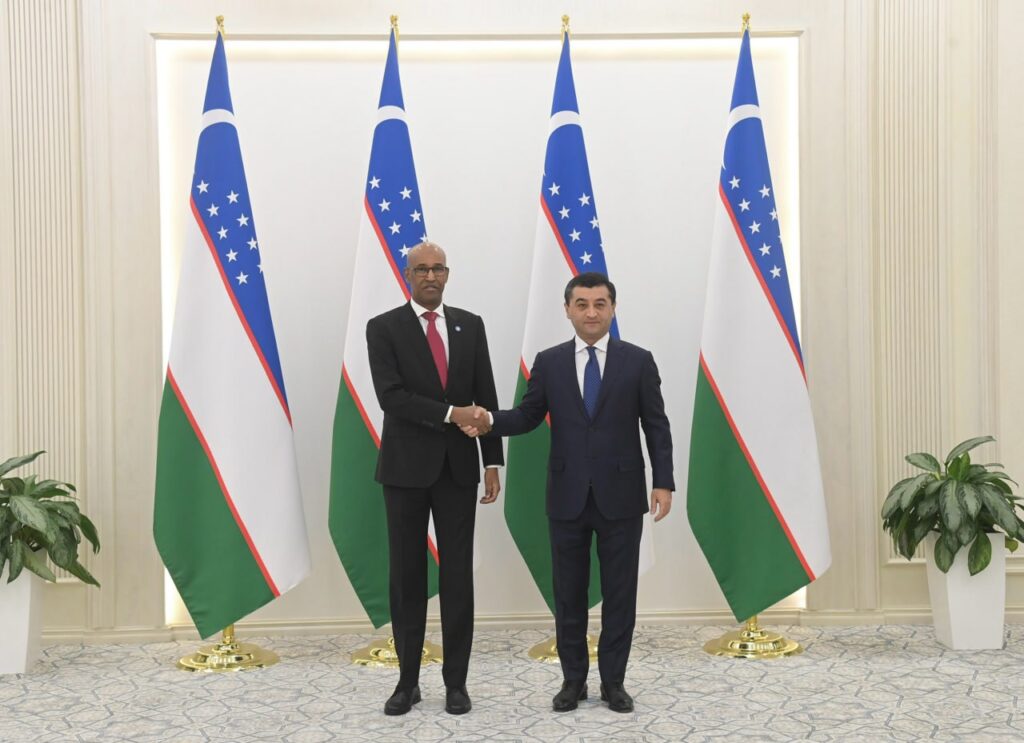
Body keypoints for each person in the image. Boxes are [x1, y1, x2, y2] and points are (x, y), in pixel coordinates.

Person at [461, 272, 673, 713]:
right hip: (567, 496)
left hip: (621, 496)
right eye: (582, 304)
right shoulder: (550, 362)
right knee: (568, 596)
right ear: (567, 310)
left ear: (613, 308)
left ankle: (614, 682)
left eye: (600, 304)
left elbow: (656, 425)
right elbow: (527, 416)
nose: (591, 313)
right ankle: (573, 681)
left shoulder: (638, 361)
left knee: (620, 595)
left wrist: (663, 482)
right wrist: (488, 420)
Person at [366, 241, 502, 716]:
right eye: (421, 269)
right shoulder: (383, 327)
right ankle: (407, 683)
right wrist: (451, 413)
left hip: (458, 470)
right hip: (405, 471)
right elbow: (391, 397)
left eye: (438, 268)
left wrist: (491, 461)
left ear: (447, 274)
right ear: (407, 275)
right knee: (407, 577)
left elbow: (485, 394)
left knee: (457, 576)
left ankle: (456, 684)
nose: (430, 276)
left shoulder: (470, 325)